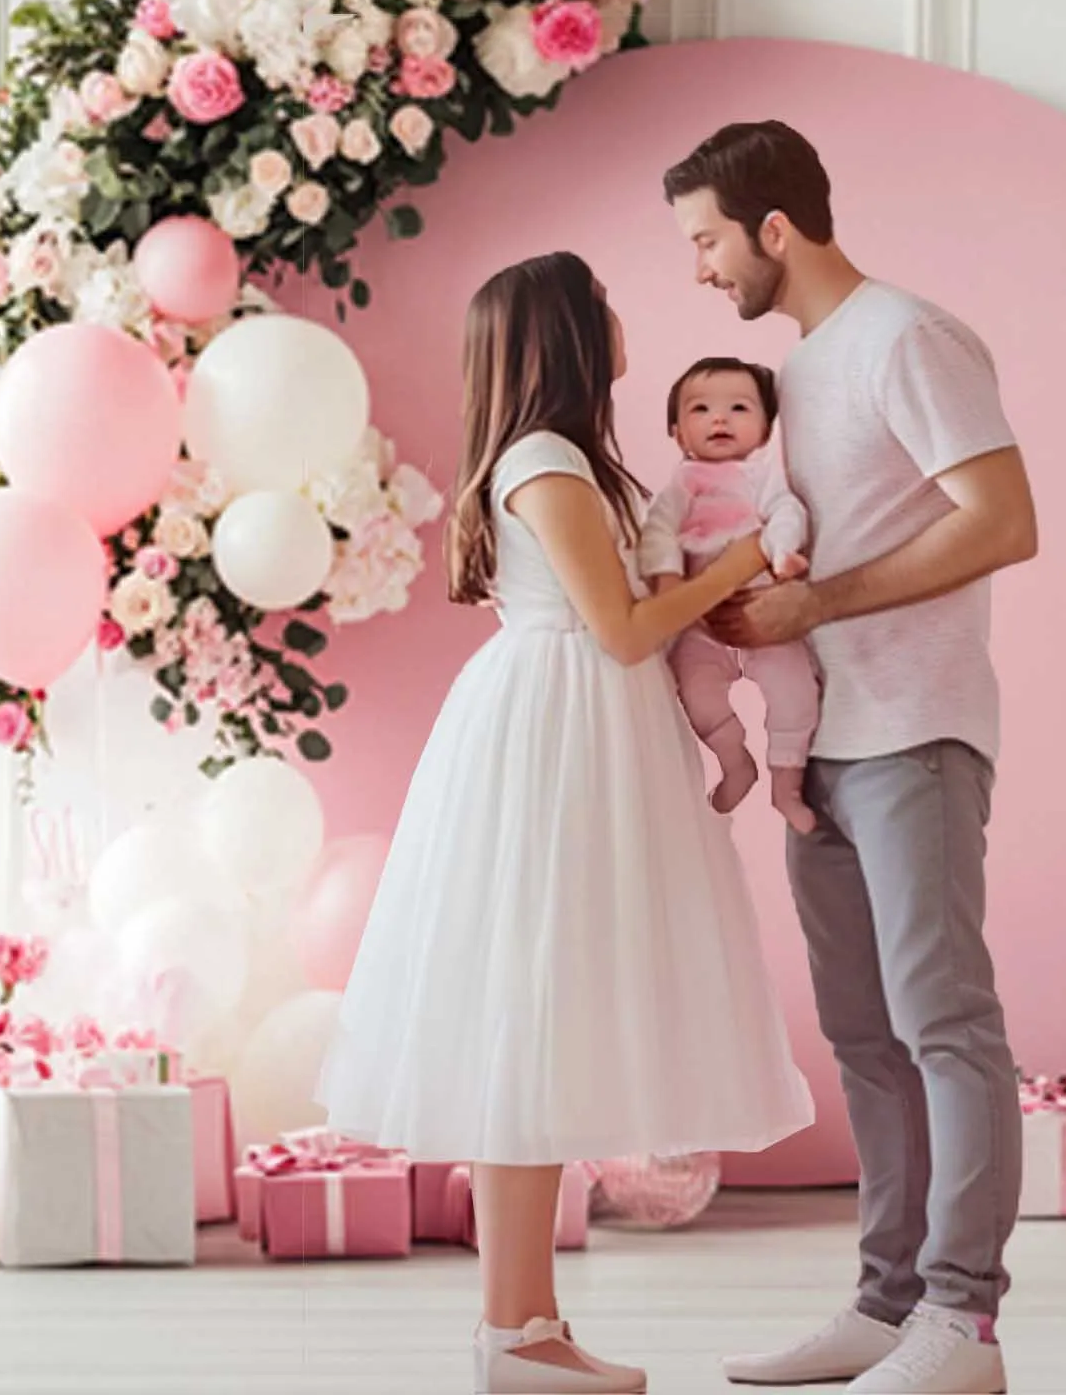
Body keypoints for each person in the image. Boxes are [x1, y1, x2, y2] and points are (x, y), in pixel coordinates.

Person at [316, 250, 813, 1395]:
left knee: (539, 1024)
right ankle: (510, 1331)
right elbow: (624, 629)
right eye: (601, 308)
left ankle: (529, 1325)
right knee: (524, 1021)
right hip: (557, 733)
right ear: (566, 337)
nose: (618, 319)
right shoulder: (543, 463)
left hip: (582, 728)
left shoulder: (572, 461)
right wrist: (745, 557)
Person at [664, 122, 1038, 1395]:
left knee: (944, 1022)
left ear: (775, 227)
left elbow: (1003, 521)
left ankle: (962, 1325)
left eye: (708, 238)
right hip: (820, 743)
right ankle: (886, 1308)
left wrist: (814, 611)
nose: (700, 268)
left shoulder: (908, 338)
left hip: (915, 729)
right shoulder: (803, 368)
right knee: (864, 1035)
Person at [637, 356, 820, 833]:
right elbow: (657, 531)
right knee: (693, 693)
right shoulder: (681, 485)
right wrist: (667, 579)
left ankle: (787, 787)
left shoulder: (763, 476)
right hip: (700, 624)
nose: (719, 419)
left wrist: (781, 553)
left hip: (763, 611)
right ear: (678, 433)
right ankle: (734, 760)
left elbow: (786, 512)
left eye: (739, 408)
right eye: (700, 410)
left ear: (764, 428)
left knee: (796, 692)